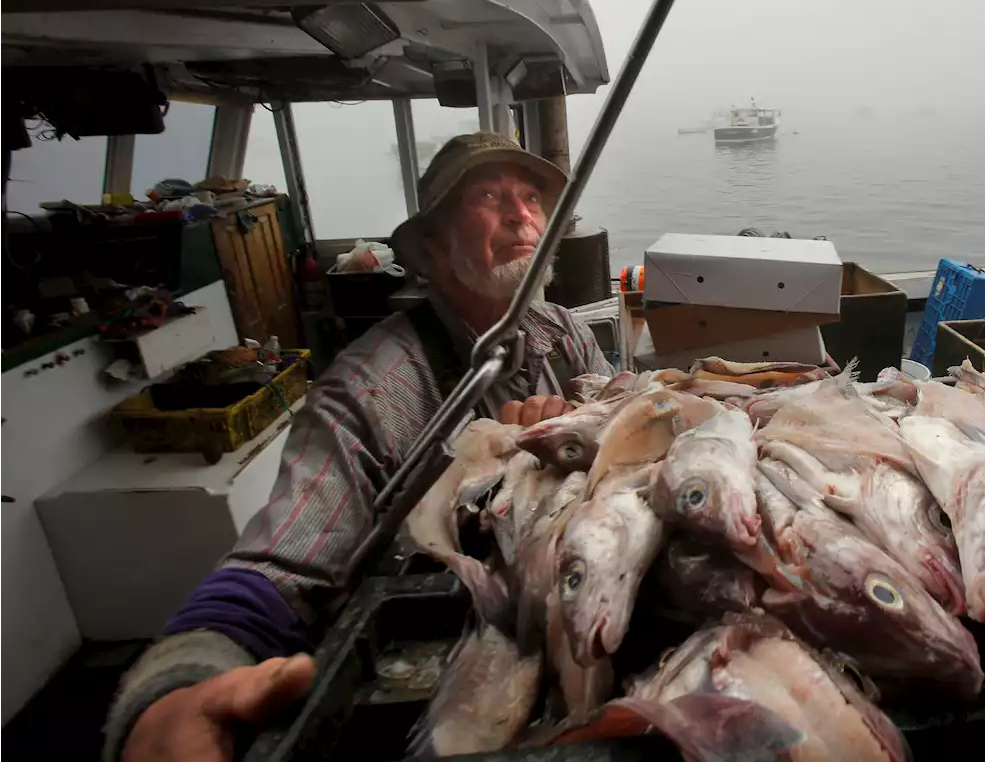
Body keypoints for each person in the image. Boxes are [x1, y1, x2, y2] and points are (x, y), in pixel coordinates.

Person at [106, 132, 614, 762]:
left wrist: (581, 431)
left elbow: (623, 439)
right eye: (488, 196)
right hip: (450, 647)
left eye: (532, 197)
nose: (521, 214)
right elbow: (281, 569)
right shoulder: (370, 390)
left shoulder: (564, 334)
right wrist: (178, 687)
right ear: (430, 248)